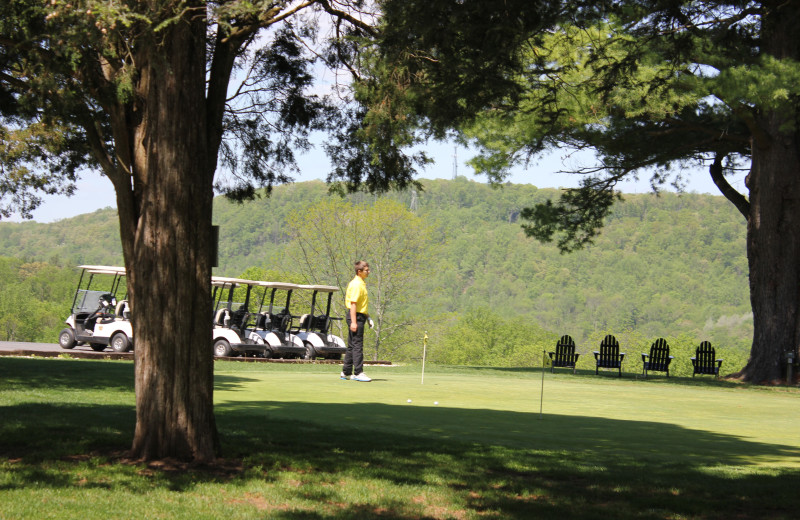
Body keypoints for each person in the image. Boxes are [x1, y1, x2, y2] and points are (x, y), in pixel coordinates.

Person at [341, 260, 372, 382]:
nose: (369, 272)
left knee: (352, 346)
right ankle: (358, 372)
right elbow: (353, 304)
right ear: (359, 271)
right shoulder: (356, 284)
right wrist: (354, 322)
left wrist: (368, 316)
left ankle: (346, 372)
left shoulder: (361, 283)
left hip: (360, 315)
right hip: (356, 317)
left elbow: (360, 304)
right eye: (366, 270)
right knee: (357, 345)